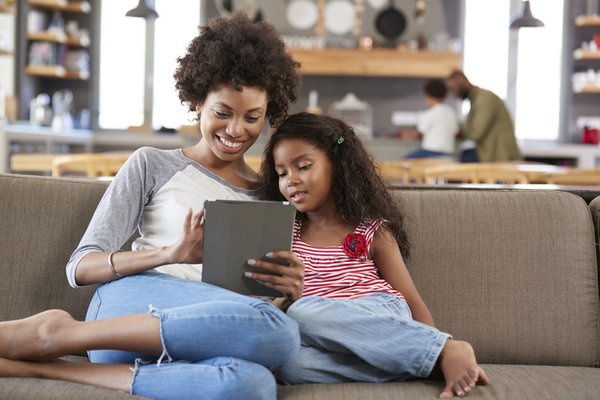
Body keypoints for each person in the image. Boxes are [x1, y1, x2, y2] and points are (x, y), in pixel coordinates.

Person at [0, 14, 305, 400]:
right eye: (222, 113)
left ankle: (49, 361)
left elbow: (250, 311)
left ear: (269, 113)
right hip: (131, 307)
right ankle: (65, 333)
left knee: (255, 384)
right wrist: (169, 253)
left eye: (252, 118)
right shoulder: (153, 164)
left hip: (210, 333)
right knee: (277, 333)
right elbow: (80, 266)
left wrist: (288, 293)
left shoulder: (272, 192)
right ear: (197, 101)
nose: (235, 131)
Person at [253, 112, 490, 399]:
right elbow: (274, 306)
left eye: (303, 166)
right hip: (322, 335)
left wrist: (433, 337)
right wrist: (284, 301)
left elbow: (411, 299)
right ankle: (425, 363)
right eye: (282, 173)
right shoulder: (283, 234)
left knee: (304, 311)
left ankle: (443, 348)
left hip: (378, 310)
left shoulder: (371, 231)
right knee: (289, 364)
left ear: (338, 166)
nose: (291, 180)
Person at [446, 70, 521, 163]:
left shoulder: (484, 99)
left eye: (453, 89)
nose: (454, 94)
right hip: (492, 156)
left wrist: (457, 133)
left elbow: (476, 133)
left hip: (503, 156)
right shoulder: (476, 100)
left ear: (461, 81)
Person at [398, 79, 459, 159]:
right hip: (448, 154)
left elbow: (417, 133)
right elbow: (455, 132)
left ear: (428, 96)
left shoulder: (429, 113)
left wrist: (406, 134)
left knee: (405, 161)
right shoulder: (451, 113)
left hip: (430, 152)